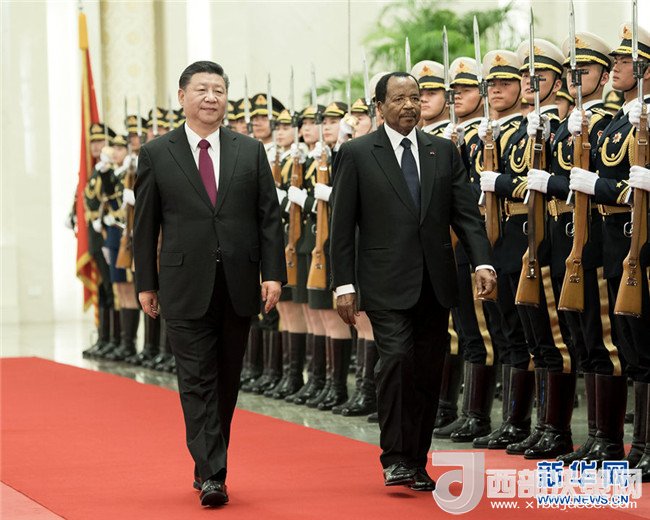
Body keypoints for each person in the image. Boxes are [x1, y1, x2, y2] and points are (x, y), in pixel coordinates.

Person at [329, 72, 495, 491]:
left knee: (427, 370)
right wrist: (343, 284)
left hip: (435, 282)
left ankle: (416, 461)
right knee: (398, 359)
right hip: (384, 282)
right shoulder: (357, 153)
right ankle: (396, 457)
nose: (408, 106)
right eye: (398, 99)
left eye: (415, 98)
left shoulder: (443, 150)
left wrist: (482, 262)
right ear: (379, 106)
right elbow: (341, 225)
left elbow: (465, 213)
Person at [133, 60, 286, 507]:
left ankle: (207, 464)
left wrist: (273, 274)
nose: (211, 98)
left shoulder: (249, 151)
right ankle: (214, 474)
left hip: (238, 283)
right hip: (183, 283)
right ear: (182, 97)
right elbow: (145, 225)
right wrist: (146, 282)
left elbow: (269, 218)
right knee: (196, 379)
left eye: (218, 90)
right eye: (201, 89)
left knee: (225, 381)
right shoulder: (157, 153)